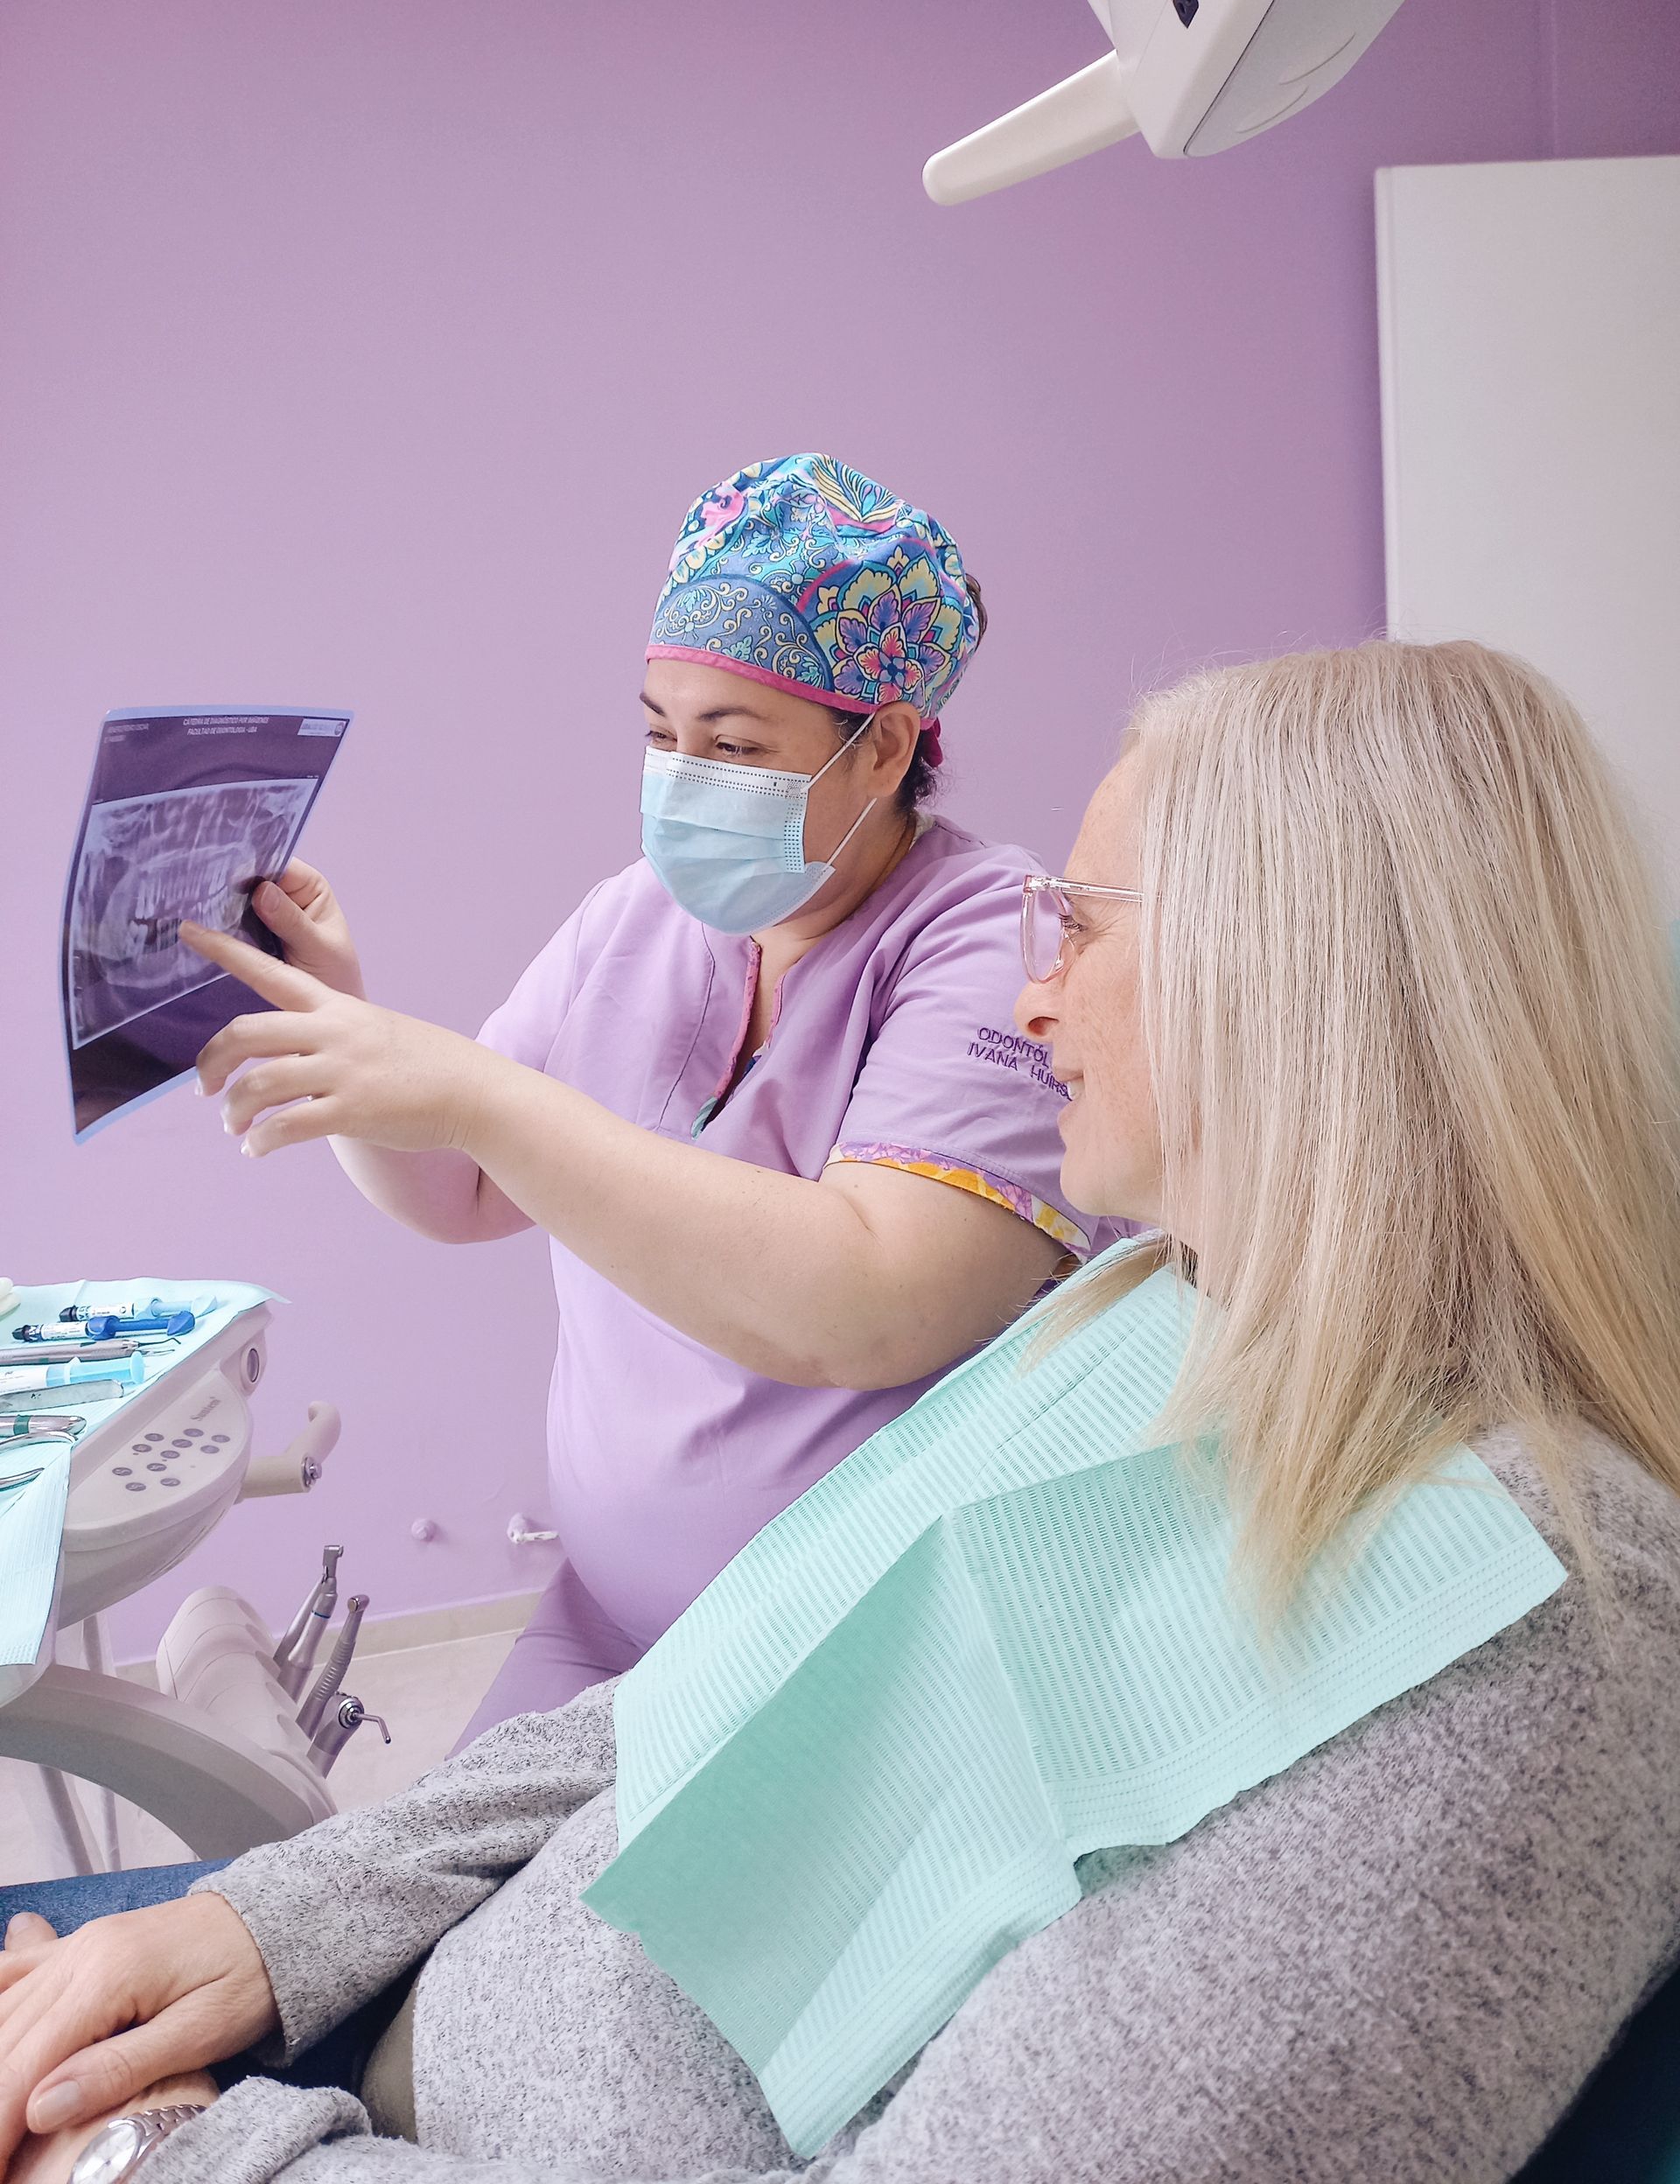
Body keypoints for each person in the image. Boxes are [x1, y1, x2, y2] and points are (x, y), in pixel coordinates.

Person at [4, 639, 1680, 2184]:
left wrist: (157, 2154)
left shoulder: (1530, 1620)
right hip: (410, 1995)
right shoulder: (1162, 1305)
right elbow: (742, 1682)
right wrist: (275, 1924)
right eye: (661, 736)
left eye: (1084, 927)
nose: (1037, 1004)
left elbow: (859, 1291)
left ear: (1305, 980)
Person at [179, 456, 1111, 1739]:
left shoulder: (991, 943)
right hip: (609, 1617)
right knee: (416, 1912)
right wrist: (338, 1028)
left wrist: (476, 1094)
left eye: (733, 746)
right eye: (662, 735)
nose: (681, 781)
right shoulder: (636, 918)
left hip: (855, 1648)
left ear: (886, 742)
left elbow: (875, 1305)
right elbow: (459, 1190)